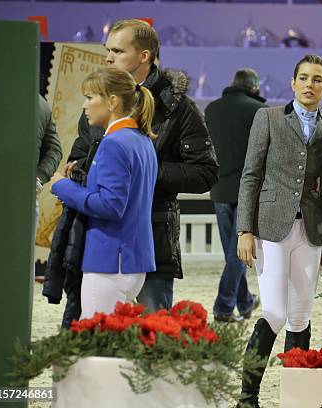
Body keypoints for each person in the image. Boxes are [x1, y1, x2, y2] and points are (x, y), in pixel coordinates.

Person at [61, 19, 218, 319]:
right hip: (99, 237)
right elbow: (77, 163)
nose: (108, 58)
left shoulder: (179, 106)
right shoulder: (97, 104)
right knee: (87, 331)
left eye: (117, 51)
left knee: (153, 336)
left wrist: (141, 172)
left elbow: (206, 172)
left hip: (151, 238)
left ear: (144, 56)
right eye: (108, 50)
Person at [235, 54, 322, 408]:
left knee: (300, 316)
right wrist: (244, 229)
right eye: (304, 78)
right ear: (293, 83)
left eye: (318, 80)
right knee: (275, 313)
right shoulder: (268, 117)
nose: (310, 85)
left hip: (309, 232)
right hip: (269, 227)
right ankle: (247, 397)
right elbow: (251, 174)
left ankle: (296, 398)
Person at [50, 67, 158, 318]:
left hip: (110, 260)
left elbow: (110, 205)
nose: (85, 105)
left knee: (98, 347)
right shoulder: (141, 140)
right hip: (133, 259)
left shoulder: (114, 143)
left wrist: (63, 187)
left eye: (90, 98)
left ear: (112, 101)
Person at [206, 68, 266, 323]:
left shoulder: (211, 109)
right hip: (248, 190)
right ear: (254, 87)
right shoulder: (258, 111)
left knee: (232, 253)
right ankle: (223, 306)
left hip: (219, 188)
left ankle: (245, 301)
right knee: (240, 252)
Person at [35, 94, 63, 273]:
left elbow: (54, 149)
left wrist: (38, 177)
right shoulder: (40, 103)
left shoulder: (39, 104)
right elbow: (54, 149)